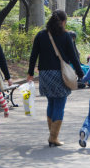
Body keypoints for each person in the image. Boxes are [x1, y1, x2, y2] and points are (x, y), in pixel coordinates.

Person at [27, 10, 84, 147]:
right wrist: (80, 73)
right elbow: (73, 57)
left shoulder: (41, 35)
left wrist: (30, 73)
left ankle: (53, 136)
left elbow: (34, 55)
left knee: (51, 102)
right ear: (63, 22)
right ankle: (53, 138)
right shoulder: (65, 36)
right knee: (59, 104)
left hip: (45, 74)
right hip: (59, 74)